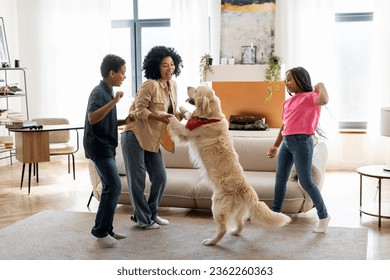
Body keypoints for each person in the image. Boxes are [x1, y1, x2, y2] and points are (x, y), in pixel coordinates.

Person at [121, 46, 184, 229]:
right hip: (135, 135)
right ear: (156, 66)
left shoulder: (173, 86)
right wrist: (159, 117)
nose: (169, 68)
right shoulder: (150, 84)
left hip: (152, 138)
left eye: (172, 64)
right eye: (165, 65)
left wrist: (183, 114)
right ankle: (143, 219)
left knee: (160, 177)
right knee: (138, 180)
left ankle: (151, 214)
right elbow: (139, 110)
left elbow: (172, 112)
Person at [267, 66, 330, 233]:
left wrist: (321, 85)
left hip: (302, 142)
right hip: (287, 143)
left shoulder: (312, 97)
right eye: (285, 81)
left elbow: (324, 100)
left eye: (289, 80)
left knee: (306, 181)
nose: (286, 83)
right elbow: (284, 125)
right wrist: (275, 145)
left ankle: (324, 216)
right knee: (280, 179)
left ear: (301, 79)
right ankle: (276, 214)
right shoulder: (287, 102)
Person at [83, 54, 127, 247]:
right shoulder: (99, 92)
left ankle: (106, 229)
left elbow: (105, 119)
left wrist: (126, 121)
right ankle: (100, 232)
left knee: (112, 186)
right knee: (113, 185)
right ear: (112, 73)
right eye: (122, 73)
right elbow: (93, 118)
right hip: (97, 146)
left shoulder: (108, 92)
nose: (124, 77)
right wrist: (115, 102)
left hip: (106, 145)